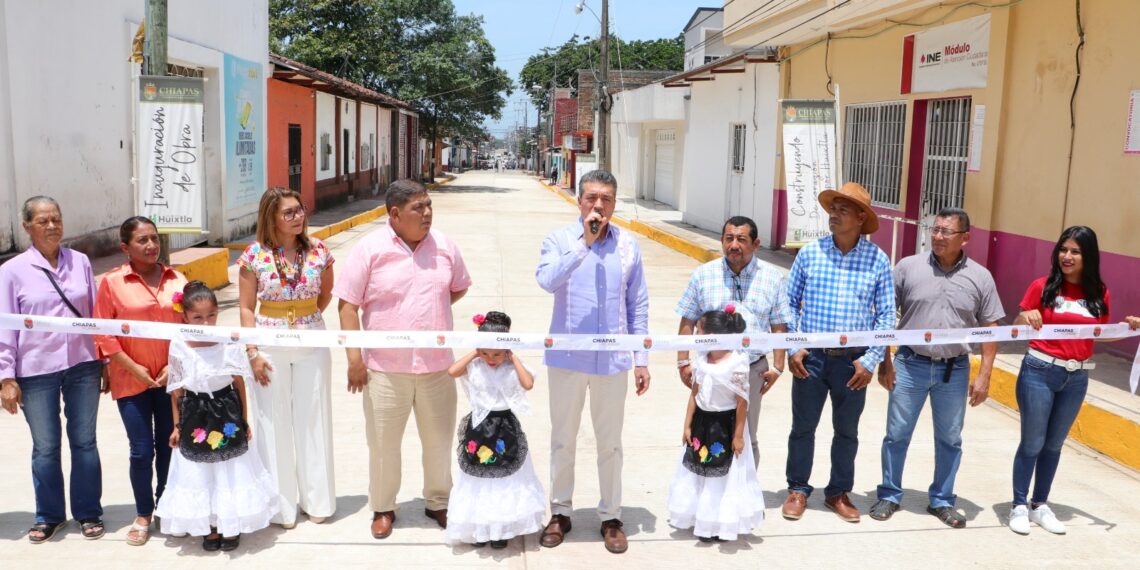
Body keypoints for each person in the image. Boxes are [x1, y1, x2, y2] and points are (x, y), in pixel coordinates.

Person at [335, 179, 471, 540]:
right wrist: (354, 359)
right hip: (383, 369)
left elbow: (457, 287)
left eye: (429, 205)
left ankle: (439, 502)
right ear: (394, 214)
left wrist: (429, 313)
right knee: (383, 444)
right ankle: (383, 507)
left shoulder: (444, 246)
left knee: (439, 441)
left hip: (437, 367)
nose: (427, 213)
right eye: (418, 208)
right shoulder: (369, 249)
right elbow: (348, 306)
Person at [534, 169, 650, 554]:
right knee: (562, 439)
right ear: (579, 201)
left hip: (612, 362)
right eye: (591, 198)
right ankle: (561, 511)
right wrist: (584, 243)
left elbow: (638, 305)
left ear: (614, 204)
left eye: (606, 199)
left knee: (610, 443)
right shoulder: (559, 240)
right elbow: (547, 280)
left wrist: (641, 359)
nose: (598, 205)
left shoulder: (629, 246)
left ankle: (611, 516)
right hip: (567, 360)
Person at [869, 208, 1005, 528]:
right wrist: (885, 361)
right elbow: (885, 316)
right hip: (909, 364)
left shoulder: (980, 277)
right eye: (935, 229)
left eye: (946, 232)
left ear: (965, 238)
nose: (938, 236)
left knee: (950, 438)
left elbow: (992, 327)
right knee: (897, 434)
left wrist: (984, 375)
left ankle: (942, 500)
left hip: (953, 370)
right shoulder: (907, 267)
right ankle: (889, 495)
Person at [1007, 226, 1140, 535]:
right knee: (1032, 443)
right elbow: (1015, 326)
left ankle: (1040, 505)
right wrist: (1025, 317)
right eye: (1063, 250)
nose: (1067, 256)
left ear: (1088, 256)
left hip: (1077, 376)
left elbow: (1100, 334)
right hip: (1039, 370)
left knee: (1053, 445)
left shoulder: (1098, 293)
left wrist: (1129, 326)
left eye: (1075, 251)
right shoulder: (1042, 286)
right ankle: (1018, 506)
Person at [782, 182, 895, 523]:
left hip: (853, 363)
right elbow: (787, 303)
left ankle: (838, 493)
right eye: (833, 208)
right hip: (812, 359)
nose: (834, 214)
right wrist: (795, 346)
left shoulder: (877, 260)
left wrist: (871, 360)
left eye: (843, 209)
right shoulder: (810, 253)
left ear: (862, 218)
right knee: (803, 428)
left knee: (847, 432)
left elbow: (886, 316)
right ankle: (798, 489)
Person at [0, 196, 105, 543]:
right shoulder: (11, 271)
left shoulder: (80, 262)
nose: (51, 226)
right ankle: (49, 515)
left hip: (83, 364)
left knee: (85, 441)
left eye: (56, 219)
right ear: (27, 227)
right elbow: (6, 326)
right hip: (36, 369)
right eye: (43, 221)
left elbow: (93, 313)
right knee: (45, 446)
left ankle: (88, 511)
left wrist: (103, 358)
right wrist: (6, 377)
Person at [238, 187, 336, 529]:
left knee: (314, 418)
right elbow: (246, 307)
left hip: (311, 339)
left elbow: (325, 295)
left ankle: (318, 500)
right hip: (269, 343)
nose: (298, 217)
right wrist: (252, 352)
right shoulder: (254, 255)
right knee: (272, 423)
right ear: (271, 218)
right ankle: (281, 507)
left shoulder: (320, 250)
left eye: (300, 210)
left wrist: (304, 317)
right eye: (289, 213)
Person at [155, 281, 278, 551]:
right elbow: (175, 388)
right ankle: (209, 525)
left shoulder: (228, 340)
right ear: (184, 316)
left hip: (226, 410)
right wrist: (176, 426)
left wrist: (244, 419)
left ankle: (229, 524)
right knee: (201, 469)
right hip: (194, 413)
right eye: (198, 317)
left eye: (211, 315)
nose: (206, 322)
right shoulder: (179, 343)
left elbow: (239, 382)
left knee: (230, 467)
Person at [94, 216, 188, 545]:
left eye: (154, 239)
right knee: (140, 450)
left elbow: (189, 328)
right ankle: (144, 513)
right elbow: (103, 334)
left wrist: (171, 367)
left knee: (170, 445)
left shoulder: (178, 279)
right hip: (130, 380)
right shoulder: (111, 282)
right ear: (125, 247)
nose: (151, 245)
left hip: (170, 380)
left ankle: (167, 505)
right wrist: (134, 369)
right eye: (142, 240)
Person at [675, 215, 790, 466]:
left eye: (741, 239)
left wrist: (778, 367)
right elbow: (688, 320)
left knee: (746, 437)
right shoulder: (703, 275)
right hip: (710, 370)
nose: (733, 245)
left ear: (755, 244)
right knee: (706, 433)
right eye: (728, 239)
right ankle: (710, 497)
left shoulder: (773, 278)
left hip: (752, 371)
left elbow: (779, 324)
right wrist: (683, 362)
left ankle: (745, 500)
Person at [444, 311, 546, 549]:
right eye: (486, 352)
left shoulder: (510, 366)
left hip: (504, 428)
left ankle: (500, 529)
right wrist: (475, 351)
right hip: (479, 427)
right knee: (478, 478)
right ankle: (478, 528)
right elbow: (452, 371)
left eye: (497, 353)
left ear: (506, 350)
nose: (491, 358)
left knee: (504, 477)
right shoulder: (476, 365)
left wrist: (513, 357)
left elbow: (528, 384)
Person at [666, 306, 765, 543]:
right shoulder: (701, 359)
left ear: (715, 334)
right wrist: (687, 425)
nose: (697, 335)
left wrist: (739, 435)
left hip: (725, 425)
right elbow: (694, 394)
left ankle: (721, 523)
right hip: (702, 422)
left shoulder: (737, 362)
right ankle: (703, 520)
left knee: (722, 476)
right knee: (701, 471)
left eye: (700, 331)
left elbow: (742, 404)